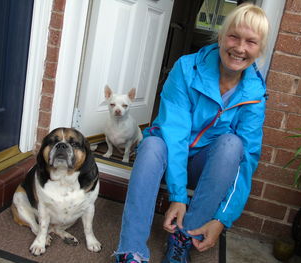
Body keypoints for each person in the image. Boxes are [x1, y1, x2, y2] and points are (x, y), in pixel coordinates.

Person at [114, 3, 269, 263]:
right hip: (168, 157)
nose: (240, 48)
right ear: (220, 36)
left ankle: (183, 237)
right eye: (233, 36)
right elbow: (175, 134)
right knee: (152, 145)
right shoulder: (187, 69)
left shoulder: (254, 95)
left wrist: (222, 219)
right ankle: (131, 251)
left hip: (204, 166)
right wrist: (177, 196)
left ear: (260, 49)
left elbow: (247, 160)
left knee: (233, 144)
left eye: (251, 42)